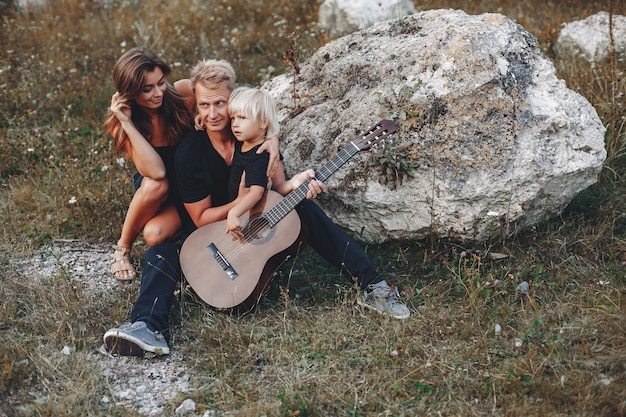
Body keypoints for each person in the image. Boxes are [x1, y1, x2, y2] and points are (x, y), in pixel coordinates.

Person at [103, 58, 410, 357]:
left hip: (253, 235)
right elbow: (200, 218)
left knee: (304, 209)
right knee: (159, 252)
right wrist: (240, 206)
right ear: (195, 105)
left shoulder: (253, 138)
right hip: (209, 234)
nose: (212, 114)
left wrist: (298, 182)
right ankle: (147, 327)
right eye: (204, 105)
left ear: (233, 99)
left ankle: (375, 287)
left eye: (220, 103)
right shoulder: (189, 152)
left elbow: (276, 190)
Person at [104, 47, 194, 280]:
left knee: (157, 232)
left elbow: (232, 103)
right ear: (129, 92)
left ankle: (192, 232)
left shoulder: (184, 93)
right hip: (161, 193)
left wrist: (272, 138)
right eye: (147, 89)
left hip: (194, 183)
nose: (158, 93)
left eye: (161, 83)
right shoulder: (122, 123)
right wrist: (126, 122)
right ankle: (122, 248)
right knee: (153, 233)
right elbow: (156, 171)